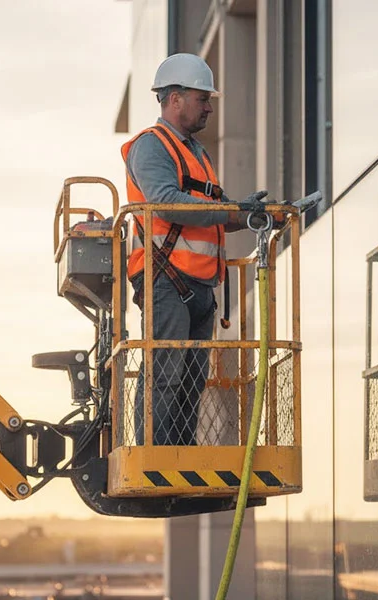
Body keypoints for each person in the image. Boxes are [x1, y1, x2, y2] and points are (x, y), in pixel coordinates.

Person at [122, 53, 269, 446]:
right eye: (202, 99)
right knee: (166, 373)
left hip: (201, 284)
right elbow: (168, 202)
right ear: (174, 99)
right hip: (166, 280)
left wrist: (250, 215)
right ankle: (153, 453)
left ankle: (180, 454)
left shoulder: (196, 153)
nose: (208, 107)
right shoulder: (151, 147)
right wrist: (231, 210)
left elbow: (211, 213)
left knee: (191, 379)